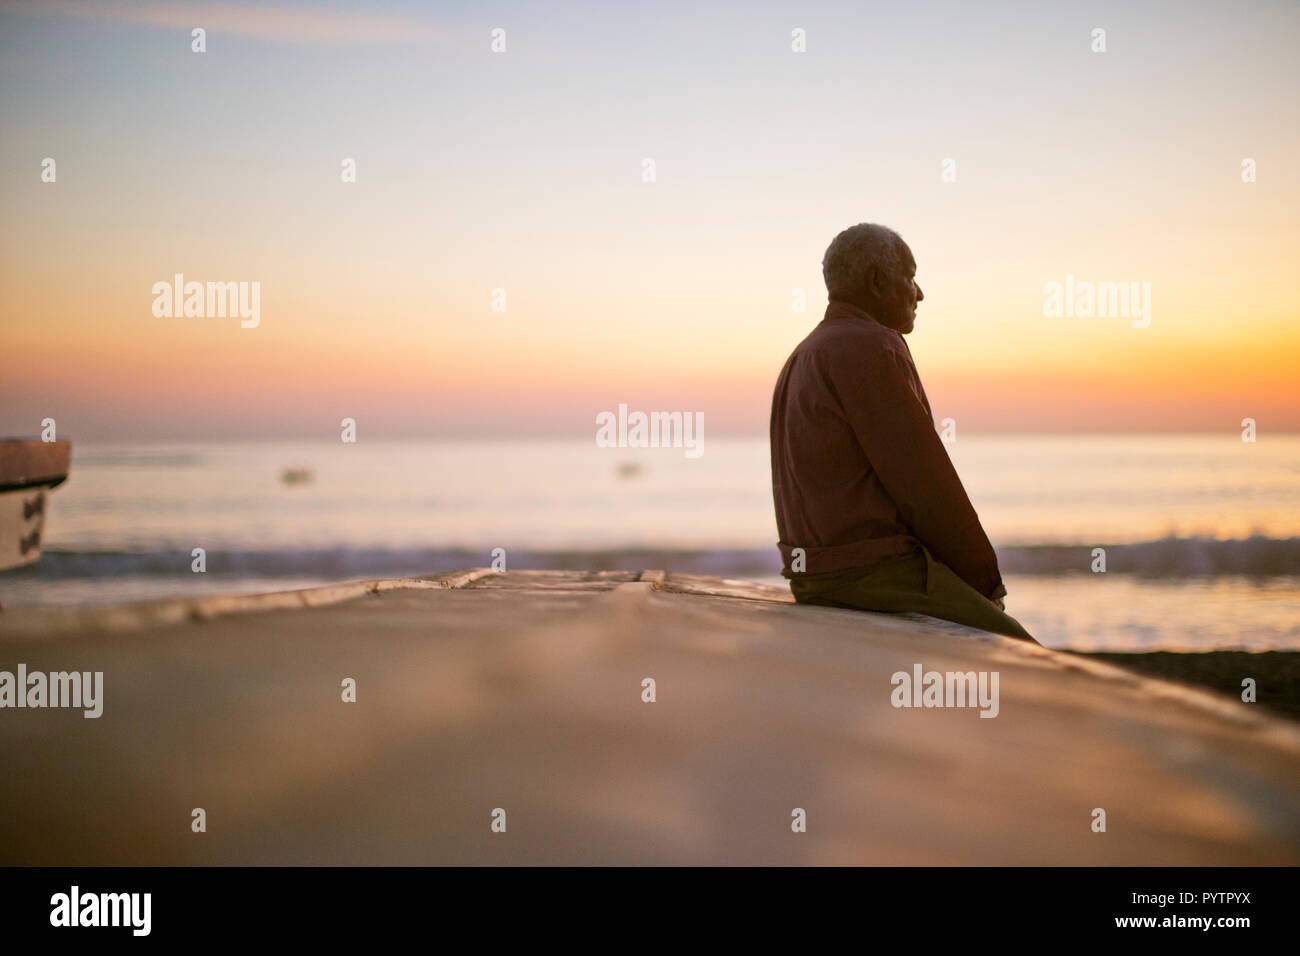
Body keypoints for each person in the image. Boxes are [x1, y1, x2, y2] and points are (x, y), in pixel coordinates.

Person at [769, 223, 1036, 642]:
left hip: (813, 580)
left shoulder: (802, 356)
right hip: (875, 580)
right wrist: (985, 583)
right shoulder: (873, 345)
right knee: (1022, 654)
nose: (920, 292)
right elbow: (924, 485)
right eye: (910, 277)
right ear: (876, 282)